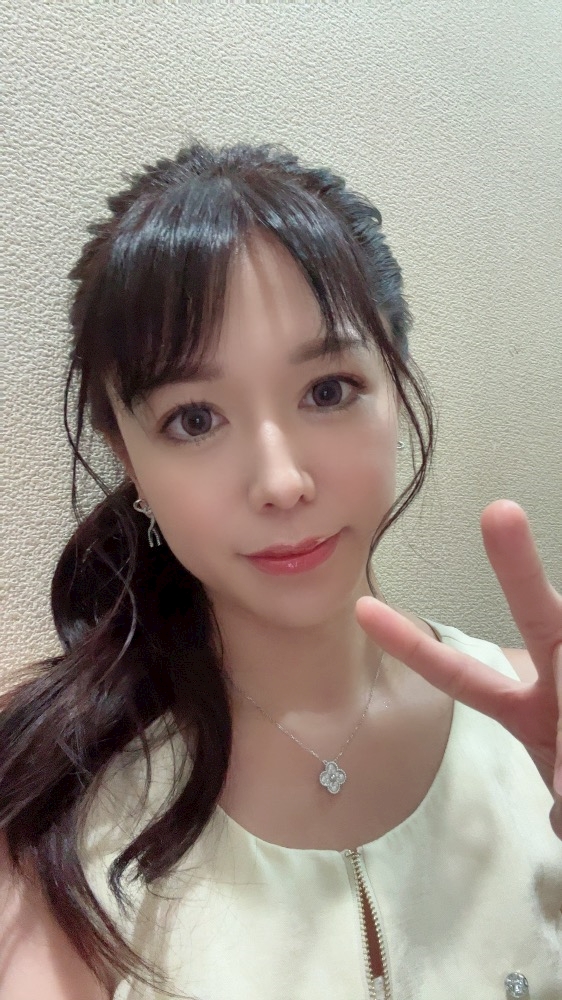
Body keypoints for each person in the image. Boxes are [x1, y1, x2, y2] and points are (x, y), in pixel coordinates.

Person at [0, 140, 560, 1000]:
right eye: (193, 419)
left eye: (327, 391)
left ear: (395, 385)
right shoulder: (52, 789)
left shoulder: (538, 726)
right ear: (128, 457)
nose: (281, 482)